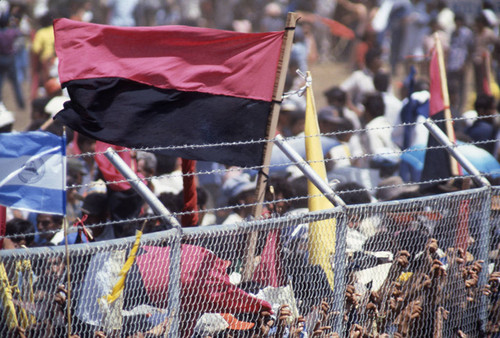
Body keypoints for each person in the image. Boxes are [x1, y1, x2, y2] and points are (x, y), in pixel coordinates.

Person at [0, 8, 24, 109]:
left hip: (1, 58)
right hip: (10, 58)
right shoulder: (11, 32)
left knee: (0, 82)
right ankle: (21, 103)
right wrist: (14, 24)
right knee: (15, 83)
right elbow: (20, 32)